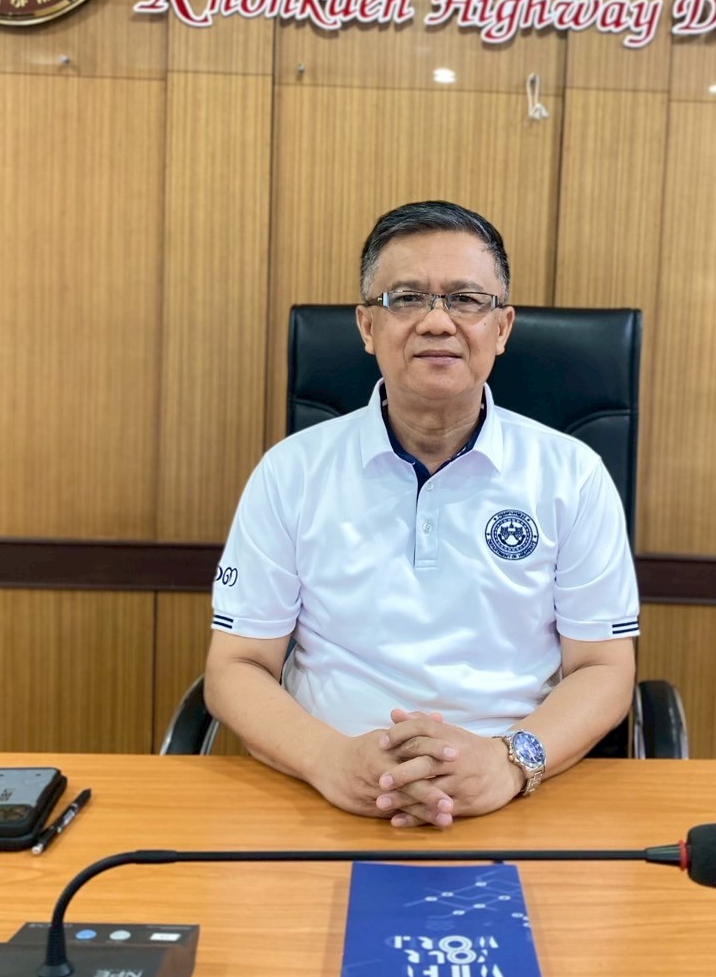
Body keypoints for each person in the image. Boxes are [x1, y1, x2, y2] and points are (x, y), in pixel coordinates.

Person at [205, 201, 639, 829]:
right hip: (320, 793)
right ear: (366, 326)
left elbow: (603, 669)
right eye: (407, 299)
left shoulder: (572, 475)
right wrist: (329, 760)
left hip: (516, 796)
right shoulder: (291, 471)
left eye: (466, 299)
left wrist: (509, 762)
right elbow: (236, 666)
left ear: (503, 327)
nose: (437, 322)